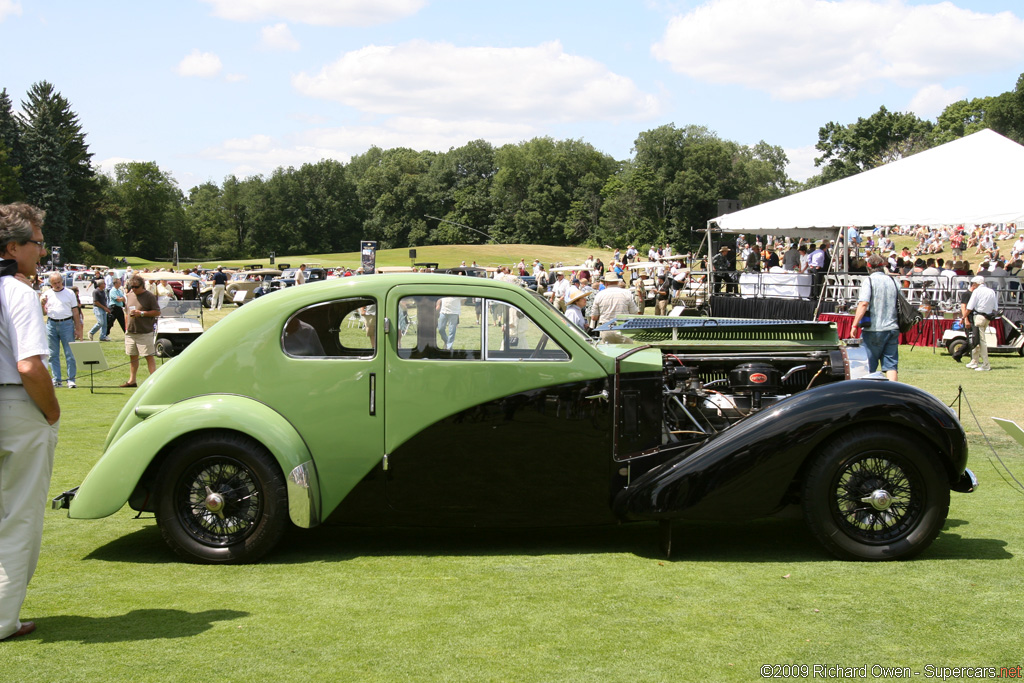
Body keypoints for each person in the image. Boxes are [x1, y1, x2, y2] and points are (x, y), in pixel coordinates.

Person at [0, 202, 60, 642]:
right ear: (13, 246)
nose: (41, 252)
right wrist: (52, 411)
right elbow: (29, 366)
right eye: (37, 244)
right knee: (20, 514)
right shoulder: (18, 293)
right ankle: (3, 619)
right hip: (14, 407)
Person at [851, 254, 899, 381]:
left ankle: (868, 394)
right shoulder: (894, 280)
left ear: (869, 266)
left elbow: (863, 304)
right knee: (891, 366)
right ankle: (892, 392)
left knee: (867, 366)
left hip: (874, 328)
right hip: (892, 326)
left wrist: (854, 324)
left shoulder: (869, 280)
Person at [40, 272, 81, 388]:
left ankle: (71, 379)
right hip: (51, 323)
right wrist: (42, 304)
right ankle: (57, 379)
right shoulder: (47, 293)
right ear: (50, 284)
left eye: (58, 282)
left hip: (67, 323)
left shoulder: (69, 293)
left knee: (70, 353)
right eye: (54, 283)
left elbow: (75, 311)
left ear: (62, 281)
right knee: (53, 354)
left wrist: (77, 328)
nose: (57, 285)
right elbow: (44, 313)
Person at [121, 275, 160, 388]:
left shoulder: (149, 296)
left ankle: (154, 382)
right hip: (131, 332)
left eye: (136, 287)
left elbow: (157, 312)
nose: (133, 289)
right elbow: (127, 312)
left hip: (144, 331)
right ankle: (132, 381)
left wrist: (142, 313)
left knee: (148, 356)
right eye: (131, 286)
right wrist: (126, 327)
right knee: (132, 356)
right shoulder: (130, 295)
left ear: (142, 285)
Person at [964, 275, 998, 372]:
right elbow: (995, 307)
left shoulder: (976, 291)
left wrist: (963, 317)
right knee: (977, 339)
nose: (973, 285)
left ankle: (985, 364)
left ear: (976, 284)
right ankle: (974, 361)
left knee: (981, 341)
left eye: (973, 284)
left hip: (979, 317)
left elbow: (970, 307)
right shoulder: (991, 291)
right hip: (987, 317)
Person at [589, 273, 638, 342]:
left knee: (607, 352)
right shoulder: (627, 293)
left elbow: (594, 317)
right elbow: (634, 312)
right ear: (617, 282)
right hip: (623, 327)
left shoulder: (599, 295)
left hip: (606, 328)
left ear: (606, 283)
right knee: (626, 351)